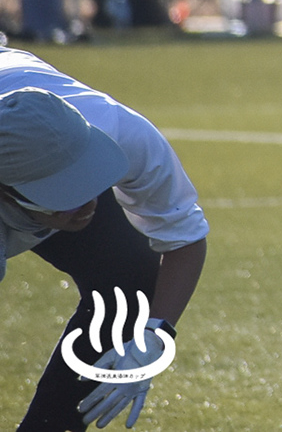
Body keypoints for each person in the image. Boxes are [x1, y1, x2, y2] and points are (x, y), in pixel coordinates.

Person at [2, 44, 209, 431]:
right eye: (64, 191)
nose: (87, 202)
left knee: (128, 280)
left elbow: (184, 237)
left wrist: (154, 335)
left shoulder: (124, 134)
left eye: (87, 176)